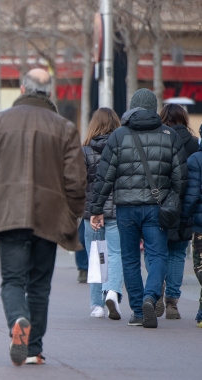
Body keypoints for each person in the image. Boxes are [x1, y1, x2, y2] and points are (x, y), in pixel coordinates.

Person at [0, 68, 86, 366]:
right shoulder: (65, 127)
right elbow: (76, 180)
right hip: (48, 216)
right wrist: (72, 215)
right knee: (39, 285)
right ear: (50, 92)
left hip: (9, 214)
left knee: (12, 281)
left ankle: (17, 321)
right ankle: (33, 348)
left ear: (22, 88)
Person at [90, 88, 187, 329]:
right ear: (154, 108)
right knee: (157, 255)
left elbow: (105, 177)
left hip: (125, 208)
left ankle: (137, 311)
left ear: (132, 106)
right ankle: (150, 297)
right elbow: (180, 177)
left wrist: (97, 208)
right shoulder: (169, 135)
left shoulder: (119, 135)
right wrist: (172, 199)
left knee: (130, 258)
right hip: (157, 207)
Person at [82, 108, 124, 320]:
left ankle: (97, 305)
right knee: (115, 253)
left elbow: (80, 183)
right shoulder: (121, 148)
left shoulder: (85, 151)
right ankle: (112, 293)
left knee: (96, 256)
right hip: (116, 210)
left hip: (91, 212)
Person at [157, 103, 197, 318]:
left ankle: (156, 292)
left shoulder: (159, 141)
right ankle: (172, 302)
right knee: (178, 255)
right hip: (185, 208)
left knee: (158, 251)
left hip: (160, 205)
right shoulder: (194, 144)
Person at [180, 124, 202, 327]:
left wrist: (184, 217)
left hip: (200, 226)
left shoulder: (195, 159)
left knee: (200, 266)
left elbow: (193, 193)